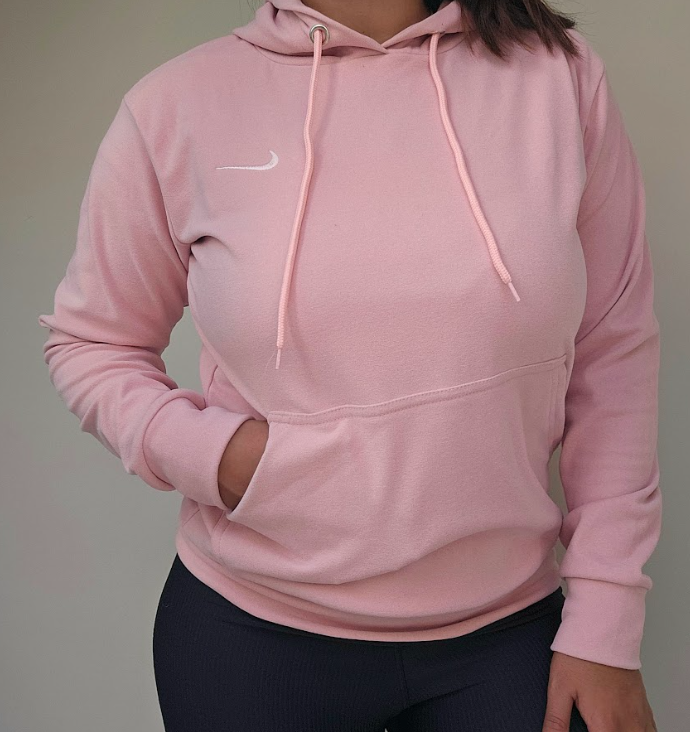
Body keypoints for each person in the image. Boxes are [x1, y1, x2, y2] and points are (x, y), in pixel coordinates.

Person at [37, 0, 661, 729]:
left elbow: (612, 355)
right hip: (254, 637)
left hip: (511, 631)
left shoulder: (560, 79)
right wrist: (221, 458)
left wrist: (606, 622)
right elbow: (92, 343)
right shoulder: (175, 105)